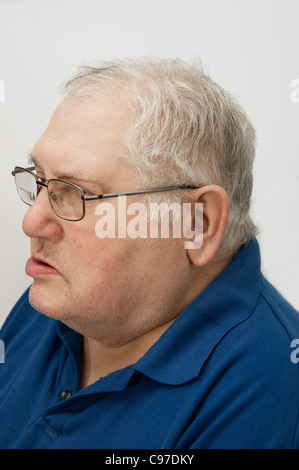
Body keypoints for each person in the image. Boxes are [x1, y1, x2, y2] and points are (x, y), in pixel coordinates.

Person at [1, 58, 298, 449]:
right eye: (40, 181)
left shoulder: (269, 393)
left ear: (198, 223)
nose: (32, 221)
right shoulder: (60, 296)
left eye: (77, 193)